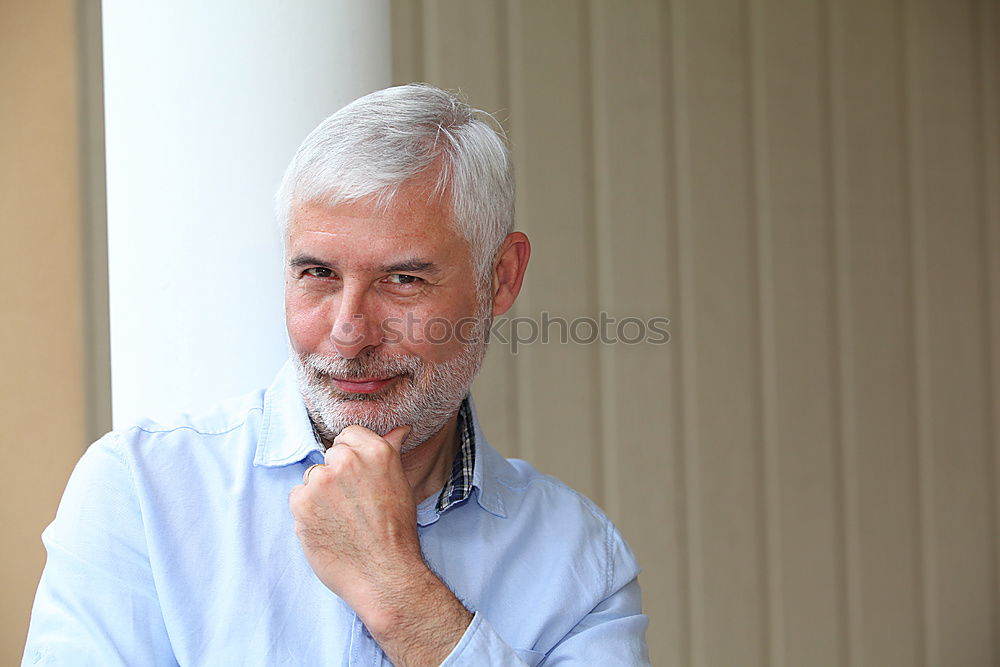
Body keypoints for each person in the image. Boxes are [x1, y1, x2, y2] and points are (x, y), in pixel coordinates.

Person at [23, 84, 649, 666]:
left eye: (403, 279)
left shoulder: (580, 560)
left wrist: (398, 591)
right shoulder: (141, 492)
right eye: (318, 274)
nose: (349, 333)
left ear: (501, 277)